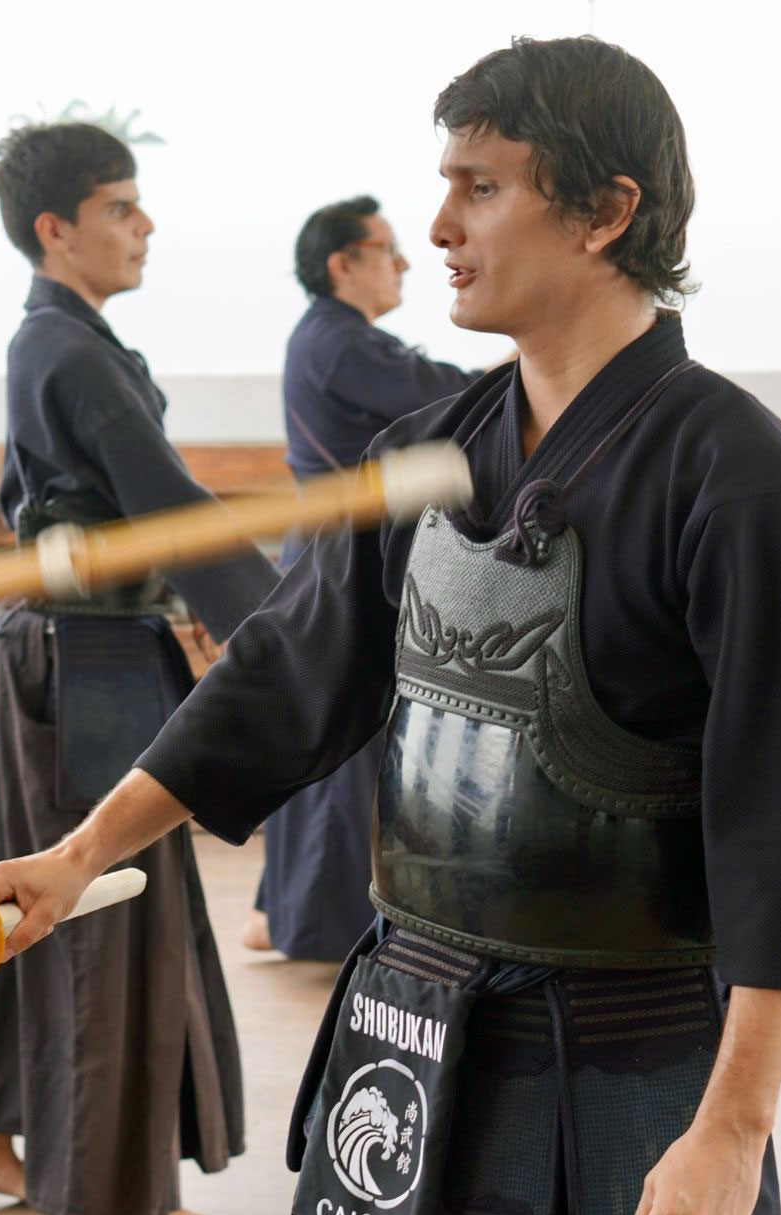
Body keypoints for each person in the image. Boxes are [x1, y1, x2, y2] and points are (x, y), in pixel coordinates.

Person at [0, 37, 781, 1215]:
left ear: (604, 209)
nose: (441, 226)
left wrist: (729, 1130)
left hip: (623, 1080)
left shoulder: (742, 489)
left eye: (479, 188)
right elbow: (274, 690)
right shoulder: (424, 462)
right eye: (440, 188)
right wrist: (72, 856)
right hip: (402, 1047)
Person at [0, 121, 277, 1215]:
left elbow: (133, 517)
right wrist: (278, 633)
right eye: (120, 209)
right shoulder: (67, 350)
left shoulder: (65, 341)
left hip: (72, 654)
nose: (144, 227)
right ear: (57, 228)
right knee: (101, 901)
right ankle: (118, 1196)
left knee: (38, 901)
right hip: (80, 667)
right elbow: (168, 504)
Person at [245, 195, 479, 961]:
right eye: (387, 249)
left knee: (328, 734)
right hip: (340, 555)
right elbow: (441, 394)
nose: (406, 262)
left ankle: (288, 912)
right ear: (342, 263)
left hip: (335, 549)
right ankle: (320, 926)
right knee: (344, 742)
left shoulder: (333, 338)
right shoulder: (340, 341)